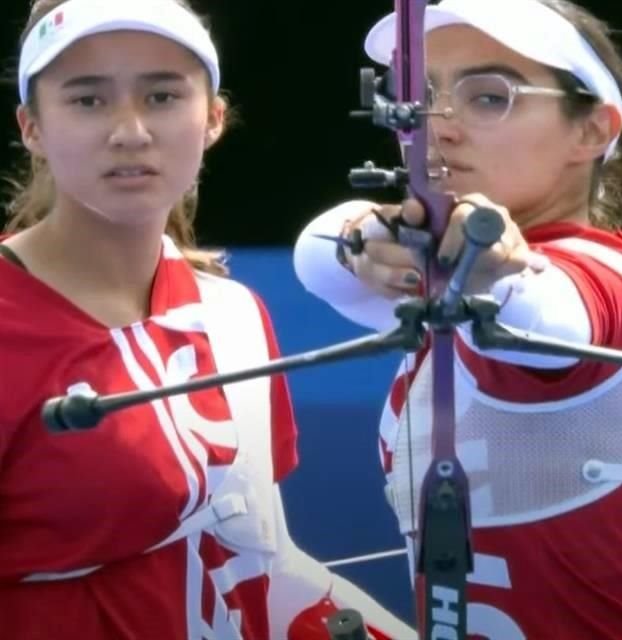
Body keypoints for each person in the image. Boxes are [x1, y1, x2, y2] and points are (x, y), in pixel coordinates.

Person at [293, 0, 622, 637]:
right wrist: (357, 233)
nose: (440, 127)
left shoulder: (606, 278)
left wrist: (497, 274)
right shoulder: (450, 274)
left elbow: (557, 321)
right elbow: (318, 260)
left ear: (592, 131)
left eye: (489, 98)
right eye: (423, 95)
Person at [0, 0, 416, 638]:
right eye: (88, 101)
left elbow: (261, 558)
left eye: (163, 96)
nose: (131, 131)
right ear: (31, 127)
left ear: (213, 117)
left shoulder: (232, 313)